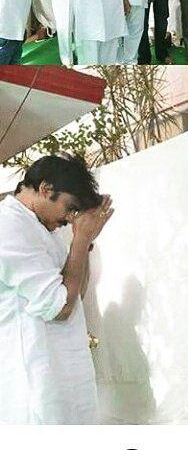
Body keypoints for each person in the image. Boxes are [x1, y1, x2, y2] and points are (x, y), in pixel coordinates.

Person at [0, 155, 114, 423]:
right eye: (70, 207)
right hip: (35, 379)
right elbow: (60, 307)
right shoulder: (9, 227)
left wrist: (84, 244)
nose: (69, 217)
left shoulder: (40, 228)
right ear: (45, 189)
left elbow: (75, 293)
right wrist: (80, 238)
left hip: (62, 372)